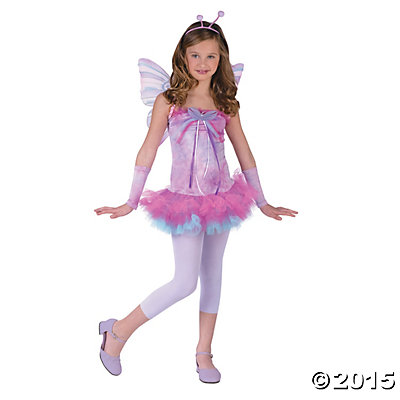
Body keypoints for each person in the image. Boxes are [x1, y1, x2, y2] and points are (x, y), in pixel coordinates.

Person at [94, 10, 298, 383]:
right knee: (184, 281)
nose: (203, 63)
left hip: (223, 200)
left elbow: (244, 152)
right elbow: (148, 150)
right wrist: (131, 200)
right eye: (196, 55)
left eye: (211, 56)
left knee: (213, 275)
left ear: (221, 59)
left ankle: (204, 352)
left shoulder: (226, 101)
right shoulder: (169, 100)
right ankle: (118, 332)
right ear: (183, 56)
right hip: (184, 202)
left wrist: (263, 201)